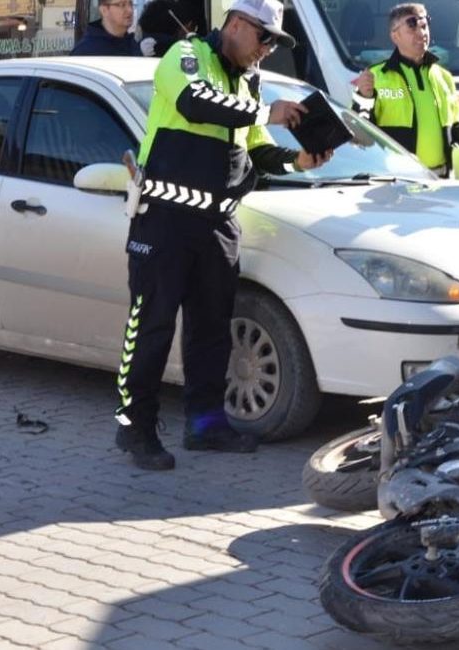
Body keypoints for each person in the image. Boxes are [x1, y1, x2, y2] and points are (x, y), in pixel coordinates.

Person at [114, 0, 333, 470]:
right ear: (235, 24)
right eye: (264, 38)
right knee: (151, 324)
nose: (268, 51)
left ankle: (206, 424)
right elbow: (196, 104)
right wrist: (264, 112)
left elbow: (257, 150)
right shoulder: (186, 56)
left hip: (218, 225)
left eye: (275, 42)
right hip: (166, 219)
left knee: (212, 330)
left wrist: (299, 161)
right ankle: (136, 429)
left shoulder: (249, 83)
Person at [351, 3, 459, 178]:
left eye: (424, 26)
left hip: (439, 180)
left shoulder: (444, 77)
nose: (421, 33)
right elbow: (359, 132)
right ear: (395, 36)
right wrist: (364, 97)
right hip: (396, 181)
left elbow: (453, 130)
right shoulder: (376, 76)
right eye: (412, 26)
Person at [71, 0, 141, 56]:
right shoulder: (86, 51)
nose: (130, 10)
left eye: (130, 4)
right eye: (122, 5)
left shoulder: (133, 44)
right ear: (104, 10)